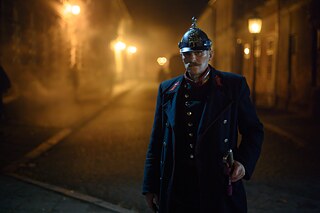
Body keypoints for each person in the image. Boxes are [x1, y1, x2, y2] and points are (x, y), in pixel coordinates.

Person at [142, 17, 264, 213]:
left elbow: (254, 130)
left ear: (210, 54)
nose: (193, 59)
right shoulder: (167, 89)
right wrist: (150, 186)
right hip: (178, 189)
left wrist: (243, 162)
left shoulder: (233, 86)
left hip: (218, 183)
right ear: (181, 55)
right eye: (187, 53)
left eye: (199, 52)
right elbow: (157, 141)